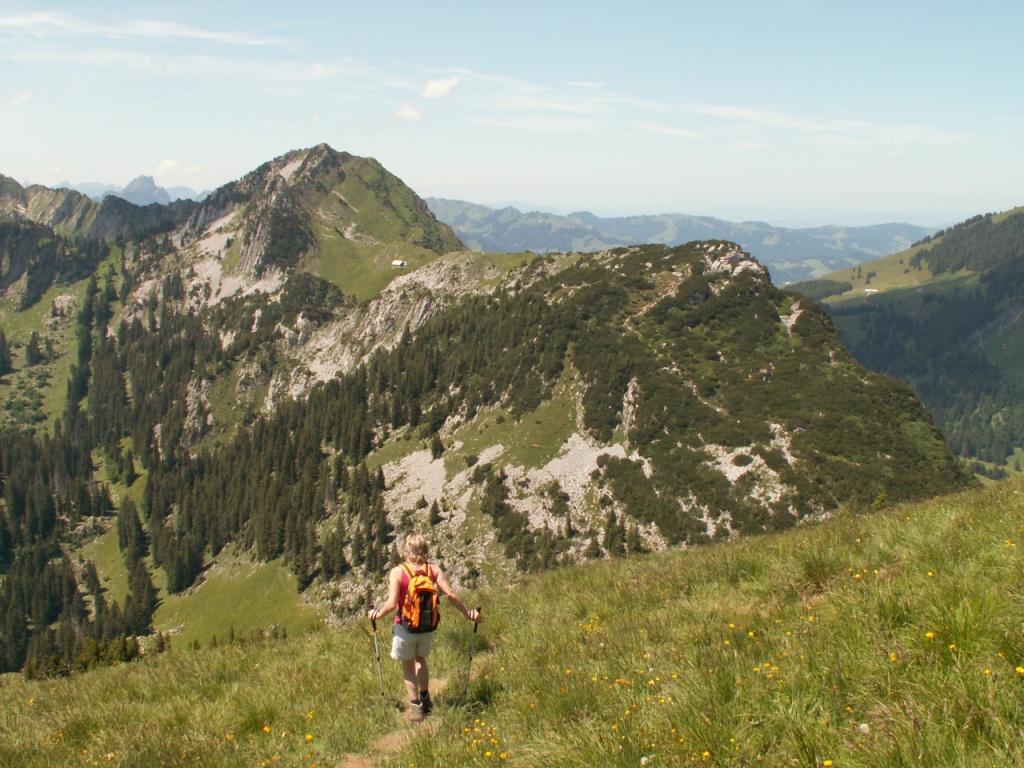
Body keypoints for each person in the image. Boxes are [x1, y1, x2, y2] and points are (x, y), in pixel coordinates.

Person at [367, 532, 481, 722]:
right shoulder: (433, 570)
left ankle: (415, 708)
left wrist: (376, 615)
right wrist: (468, 614)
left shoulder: (398, 571)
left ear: (406, 550)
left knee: (408, 666)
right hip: (428, 626)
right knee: (421, 660)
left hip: (405, 626)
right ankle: (426, 698)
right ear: (425, 550)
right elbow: (451, 594)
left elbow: (391, 603)